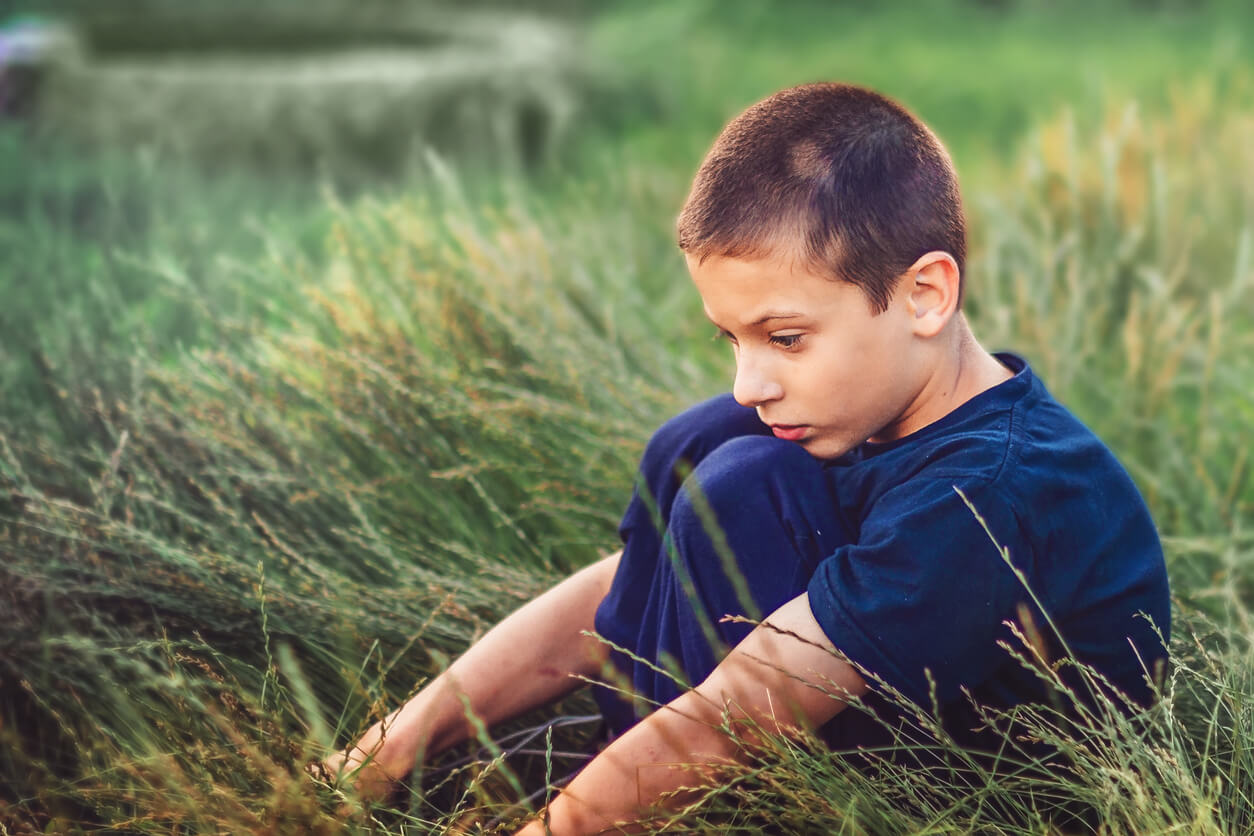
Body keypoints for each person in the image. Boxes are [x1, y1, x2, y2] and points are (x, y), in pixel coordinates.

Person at [322, 82, 1171, 834]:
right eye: (731, 337)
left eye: (786, 338)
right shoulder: (871, 406)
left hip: (973, 803)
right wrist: (386, 751)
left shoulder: (986, 491)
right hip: (845, 725)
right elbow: (619, 588)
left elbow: (726, 719)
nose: (749, 380)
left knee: (737, 483)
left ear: (924, 295)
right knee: (703, 442)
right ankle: (601, 762)